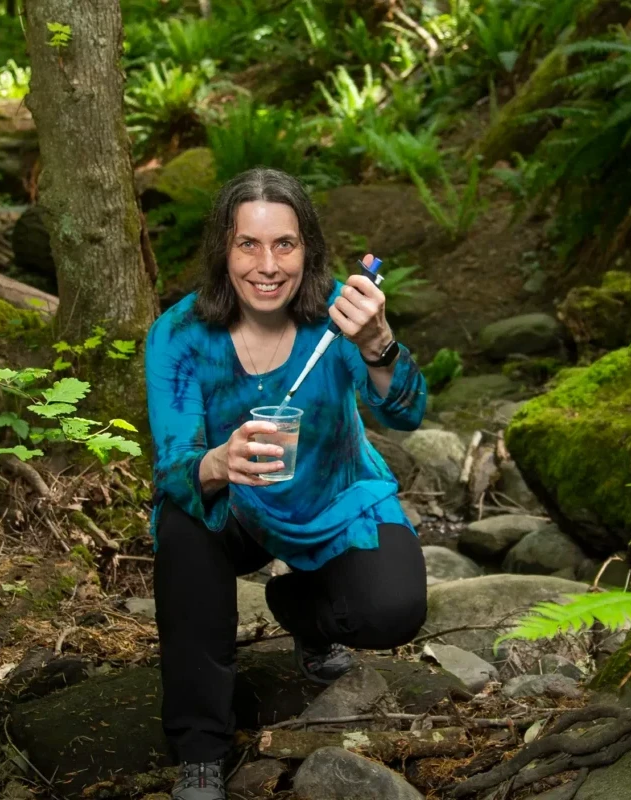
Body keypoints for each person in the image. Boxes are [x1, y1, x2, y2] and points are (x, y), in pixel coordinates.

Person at [144, 168, 430, 800]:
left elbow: (406, 415)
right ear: (223, 248)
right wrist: (218, 461)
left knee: (394, 610)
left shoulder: (339, 320)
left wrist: (380, 341)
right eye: (249, 244)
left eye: (285, 244)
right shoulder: (181, 334)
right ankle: (199, 752)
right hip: (236, 510)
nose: (267, 265)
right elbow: (173, 465)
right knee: (183, 522)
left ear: (309, 249)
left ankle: (301, 612)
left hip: (332, 499)